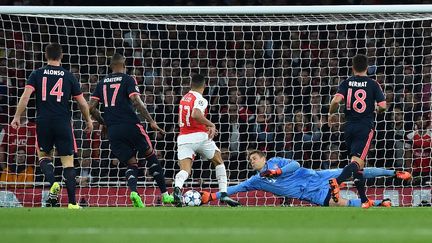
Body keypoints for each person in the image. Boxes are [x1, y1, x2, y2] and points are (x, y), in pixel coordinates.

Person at [11, 43, 93, 209]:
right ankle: (72, 203)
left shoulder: (37, 74)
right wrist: (88, 120)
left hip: (44, 122)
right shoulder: (69, 76)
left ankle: (53, 183)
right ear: (61, 56)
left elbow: (25, 97)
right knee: (68, 162)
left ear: (46, 55)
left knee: (43, 157)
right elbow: (83, 104)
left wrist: (17, 116)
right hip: (63, 122)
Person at [88, 53, 173, 207]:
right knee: (150, 155)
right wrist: (151, 121)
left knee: (131, 163)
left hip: (113, 130)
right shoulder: (128, 79)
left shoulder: (101, 83)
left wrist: (104, 122)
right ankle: (165, 195)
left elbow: (90, 107)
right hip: (131, 125)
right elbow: (136, 101)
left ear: (110, 66)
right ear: (124, 64)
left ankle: (134, 192)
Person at [201, 150, 412, 207]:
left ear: (263, 157)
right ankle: (378, 203)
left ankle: (393, 172)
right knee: (340, 205)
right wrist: (212, 196)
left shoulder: (275, 161)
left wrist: (278, 172)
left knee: (356, 170)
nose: (252, 162)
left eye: (254, 159)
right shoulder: (257, 180)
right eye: (250, 161)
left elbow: (296, 165)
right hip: (311, 194)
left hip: (316, 177)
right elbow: (236, 188)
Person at [328, 54, 387, 208]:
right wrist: (376, 109)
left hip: (349, 127)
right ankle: (337, 182)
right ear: (367, 67)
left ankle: (363, 200)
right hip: (364, 126)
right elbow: (383, 106)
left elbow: (335, 101)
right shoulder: (373, 84)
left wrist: (331, 113)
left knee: (358, 163)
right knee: (357, 162)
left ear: (353, 67)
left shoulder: (346, 82)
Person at [173, 73, 240, 207]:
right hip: (199, 136)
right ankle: (224, 194)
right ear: (204, 86)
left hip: (183, 138)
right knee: (218, 160)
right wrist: (211, 124)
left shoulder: (184, 98)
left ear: (190, 85)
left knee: (185, 170)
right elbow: (196, 114)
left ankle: (177, 189)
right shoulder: (201, 99)